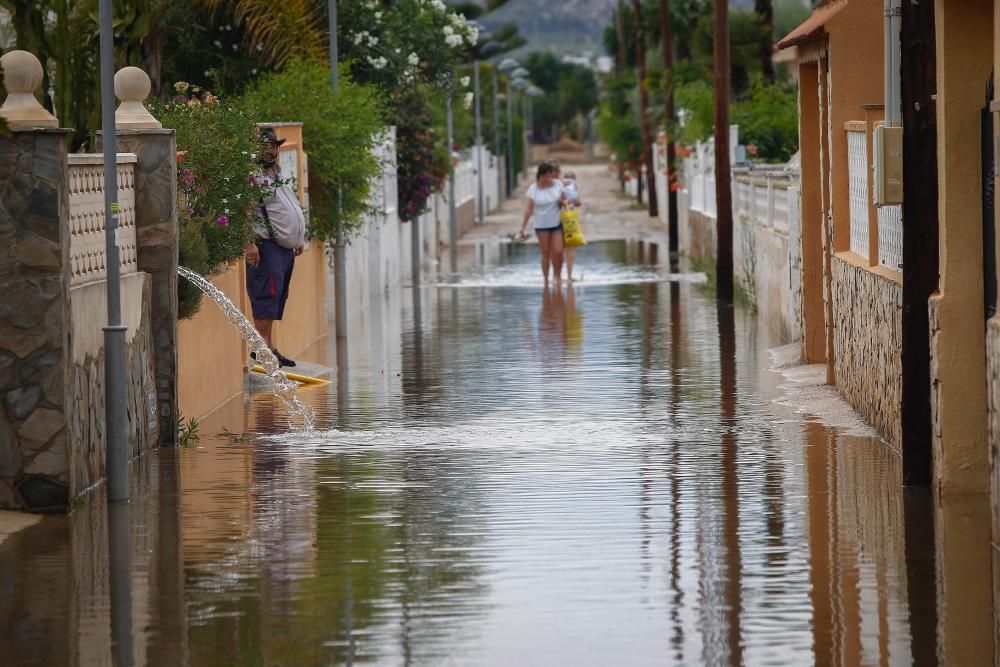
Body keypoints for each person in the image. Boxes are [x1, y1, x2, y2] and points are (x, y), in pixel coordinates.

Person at [244, 127, 306, 367]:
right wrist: (249, 244)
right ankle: (260, 349)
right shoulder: (253, 177)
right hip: (266, 246)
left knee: (277, 297)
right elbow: (244, 212)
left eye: (272, 146)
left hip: (284, 249)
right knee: (266, 296)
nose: (269, 151)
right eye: (264, 147)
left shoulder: (278, 174)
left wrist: (297, 240)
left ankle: (268, 347)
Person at [516, 162, 566, 285]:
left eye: (550, 176)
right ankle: (545, 280)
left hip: (556, 223)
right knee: (545, 252)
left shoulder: (558, 185)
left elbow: (564, 201)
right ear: (540, 176)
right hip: (541, 225)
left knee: (558, 251)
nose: (549, 179)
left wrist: (562, 201)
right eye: (546, 176)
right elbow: (528, 210)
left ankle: (557, 276)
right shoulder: (533, 189)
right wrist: (522, 228)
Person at [561, 170, 583, 282]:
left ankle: (561, 276)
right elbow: (579, 203)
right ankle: (567, 276)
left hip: (567, 219)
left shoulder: (565, 187)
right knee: (569, 248)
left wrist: (567, 202)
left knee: (564, 248)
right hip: (570, 220)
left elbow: (578, 202)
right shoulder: (561, 186)